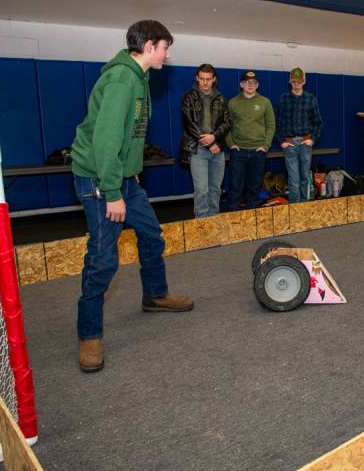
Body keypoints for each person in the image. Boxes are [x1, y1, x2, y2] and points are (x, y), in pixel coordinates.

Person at [71, 20, 194, 373]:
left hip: (124, 176)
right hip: (99, 179)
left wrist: (132, 170)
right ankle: (89, 334)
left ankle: (155, 295)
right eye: (165, 48)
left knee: (151, 235)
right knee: (103, 258)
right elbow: (107, 140)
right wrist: (112, 192)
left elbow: (132, 134)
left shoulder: (140, 76)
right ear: (151, 45)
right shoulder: (122, 80)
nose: (167, 55)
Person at [180, 63, 232, 217]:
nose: (204, 82)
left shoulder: (221, 98)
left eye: (208, 79)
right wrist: (210, 144)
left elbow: (228, 123)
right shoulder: (188, 97)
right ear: (197, 78)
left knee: (216, 189)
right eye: (201, 79)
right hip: (197, 149)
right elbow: (189, 124)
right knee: (202, 189)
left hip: (218, 149)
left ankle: (213, 221)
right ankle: (201, 225)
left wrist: (215, 138)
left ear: (214, 79)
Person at [226, 70, 276, 209]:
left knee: (254, 187)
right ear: (241, 84)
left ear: (257, 85)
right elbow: (226, 126)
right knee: (236, 186)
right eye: (247, 82)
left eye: (254, 82)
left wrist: (265, 145)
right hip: (238, 151)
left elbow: (271, 126)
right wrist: (231, 144)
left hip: (258, 151)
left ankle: (253, 221)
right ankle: (233, 218)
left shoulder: (265, 102)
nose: (250, 85)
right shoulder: (232, 103)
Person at [276, 67, 324, 203]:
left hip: (305, 143)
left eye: (299, 82)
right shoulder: (283, 99)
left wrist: (312, 140)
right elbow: (276, 122)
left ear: (304, 81)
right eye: (293, 82)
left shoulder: (310, 99)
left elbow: (318, 123)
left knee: (304, 176)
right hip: (289, 143)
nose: (296, 85)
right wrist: (282, 141)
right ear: (289, 81)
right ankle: (294, 208)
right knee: (293, 178)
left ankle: (304, 206)